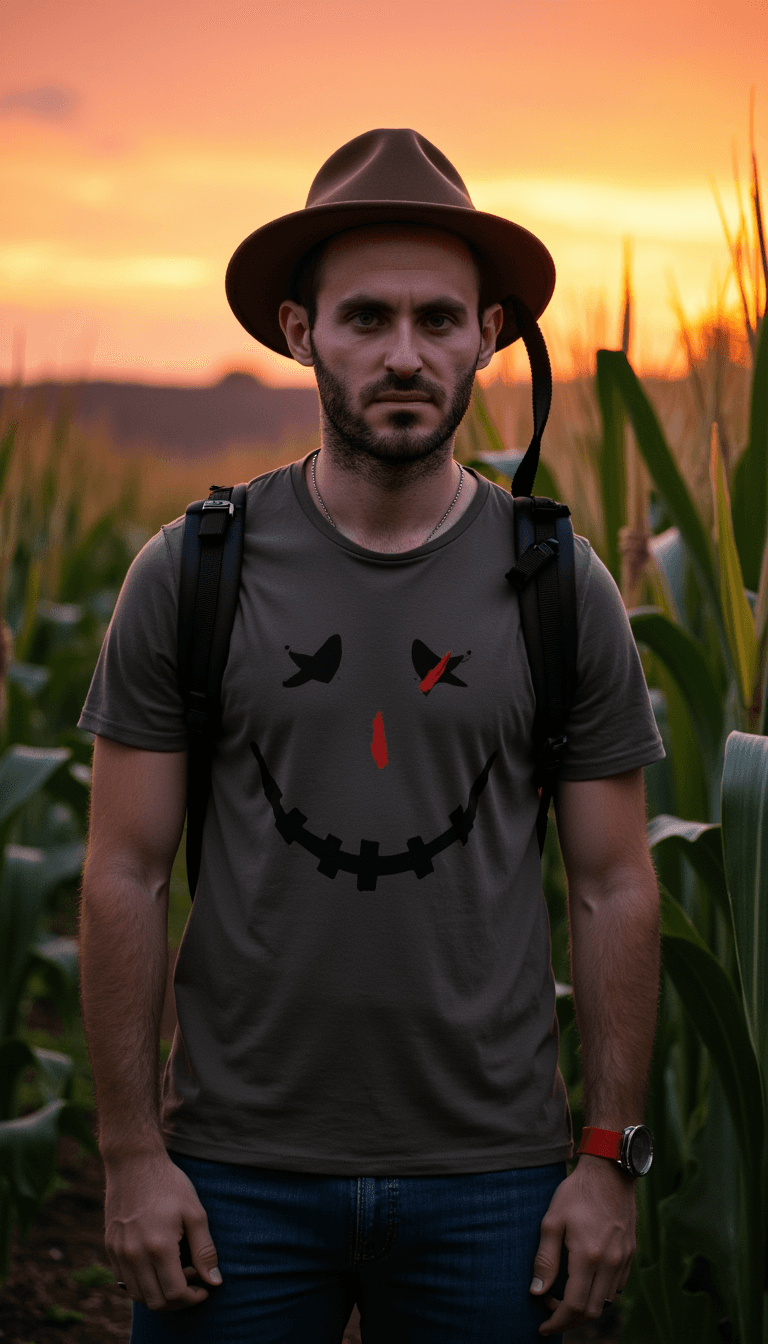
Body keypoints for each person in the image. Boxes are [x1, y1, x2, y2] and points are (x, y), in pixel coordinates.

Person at [78, 128, 664, 1344]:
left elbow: (615, 884)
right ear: (301, 331)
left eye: (439, 319)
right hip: (233, 1178)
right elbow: (122, 870)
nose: (405, 353)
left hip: (494, 1183)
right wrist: (131, 1152)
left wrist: (608, 1160)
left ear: (488, 335)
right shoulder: (191, 574)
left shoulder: (563, 587)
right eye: (366, 318)